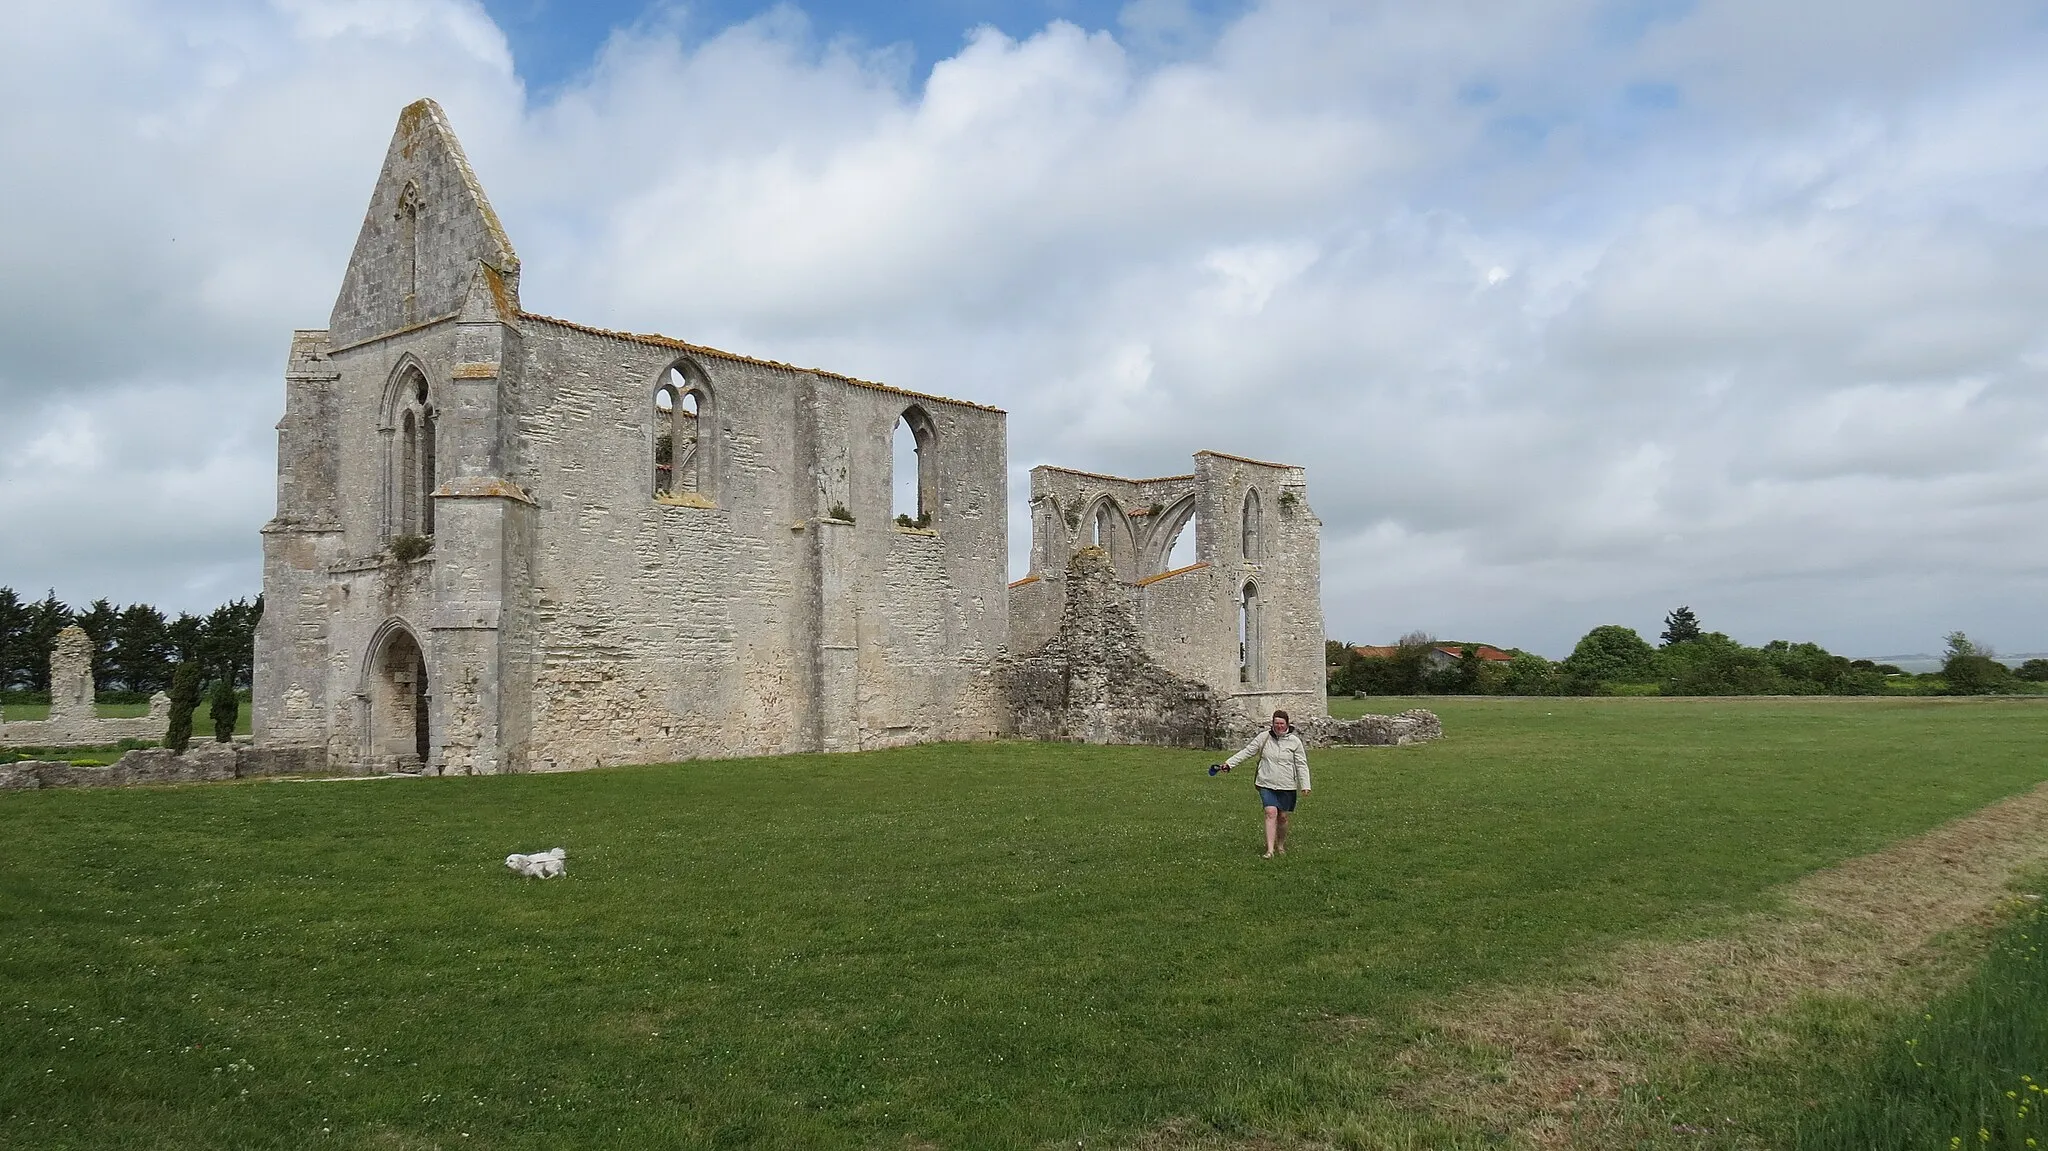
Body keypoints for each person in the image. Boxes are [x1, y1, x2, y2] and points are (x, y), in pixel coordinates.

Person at [1216, 709, 1311, 858]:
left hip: (1287, 785)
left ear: (1287, 724)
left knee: (1283, 817)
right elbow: (1247, 752)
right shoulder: (1264, 738)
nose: (1279, 726)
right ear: (1272, 724)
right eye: (1276, 723)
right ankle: (1270, 850)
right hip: (1266, 782)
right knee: (1270, 812)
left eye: (1282, 723)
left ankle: (1280, 845)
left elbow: (1301, 764)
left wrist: (1305, 785)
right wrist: (1229, 764)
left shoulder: (1294, 742)